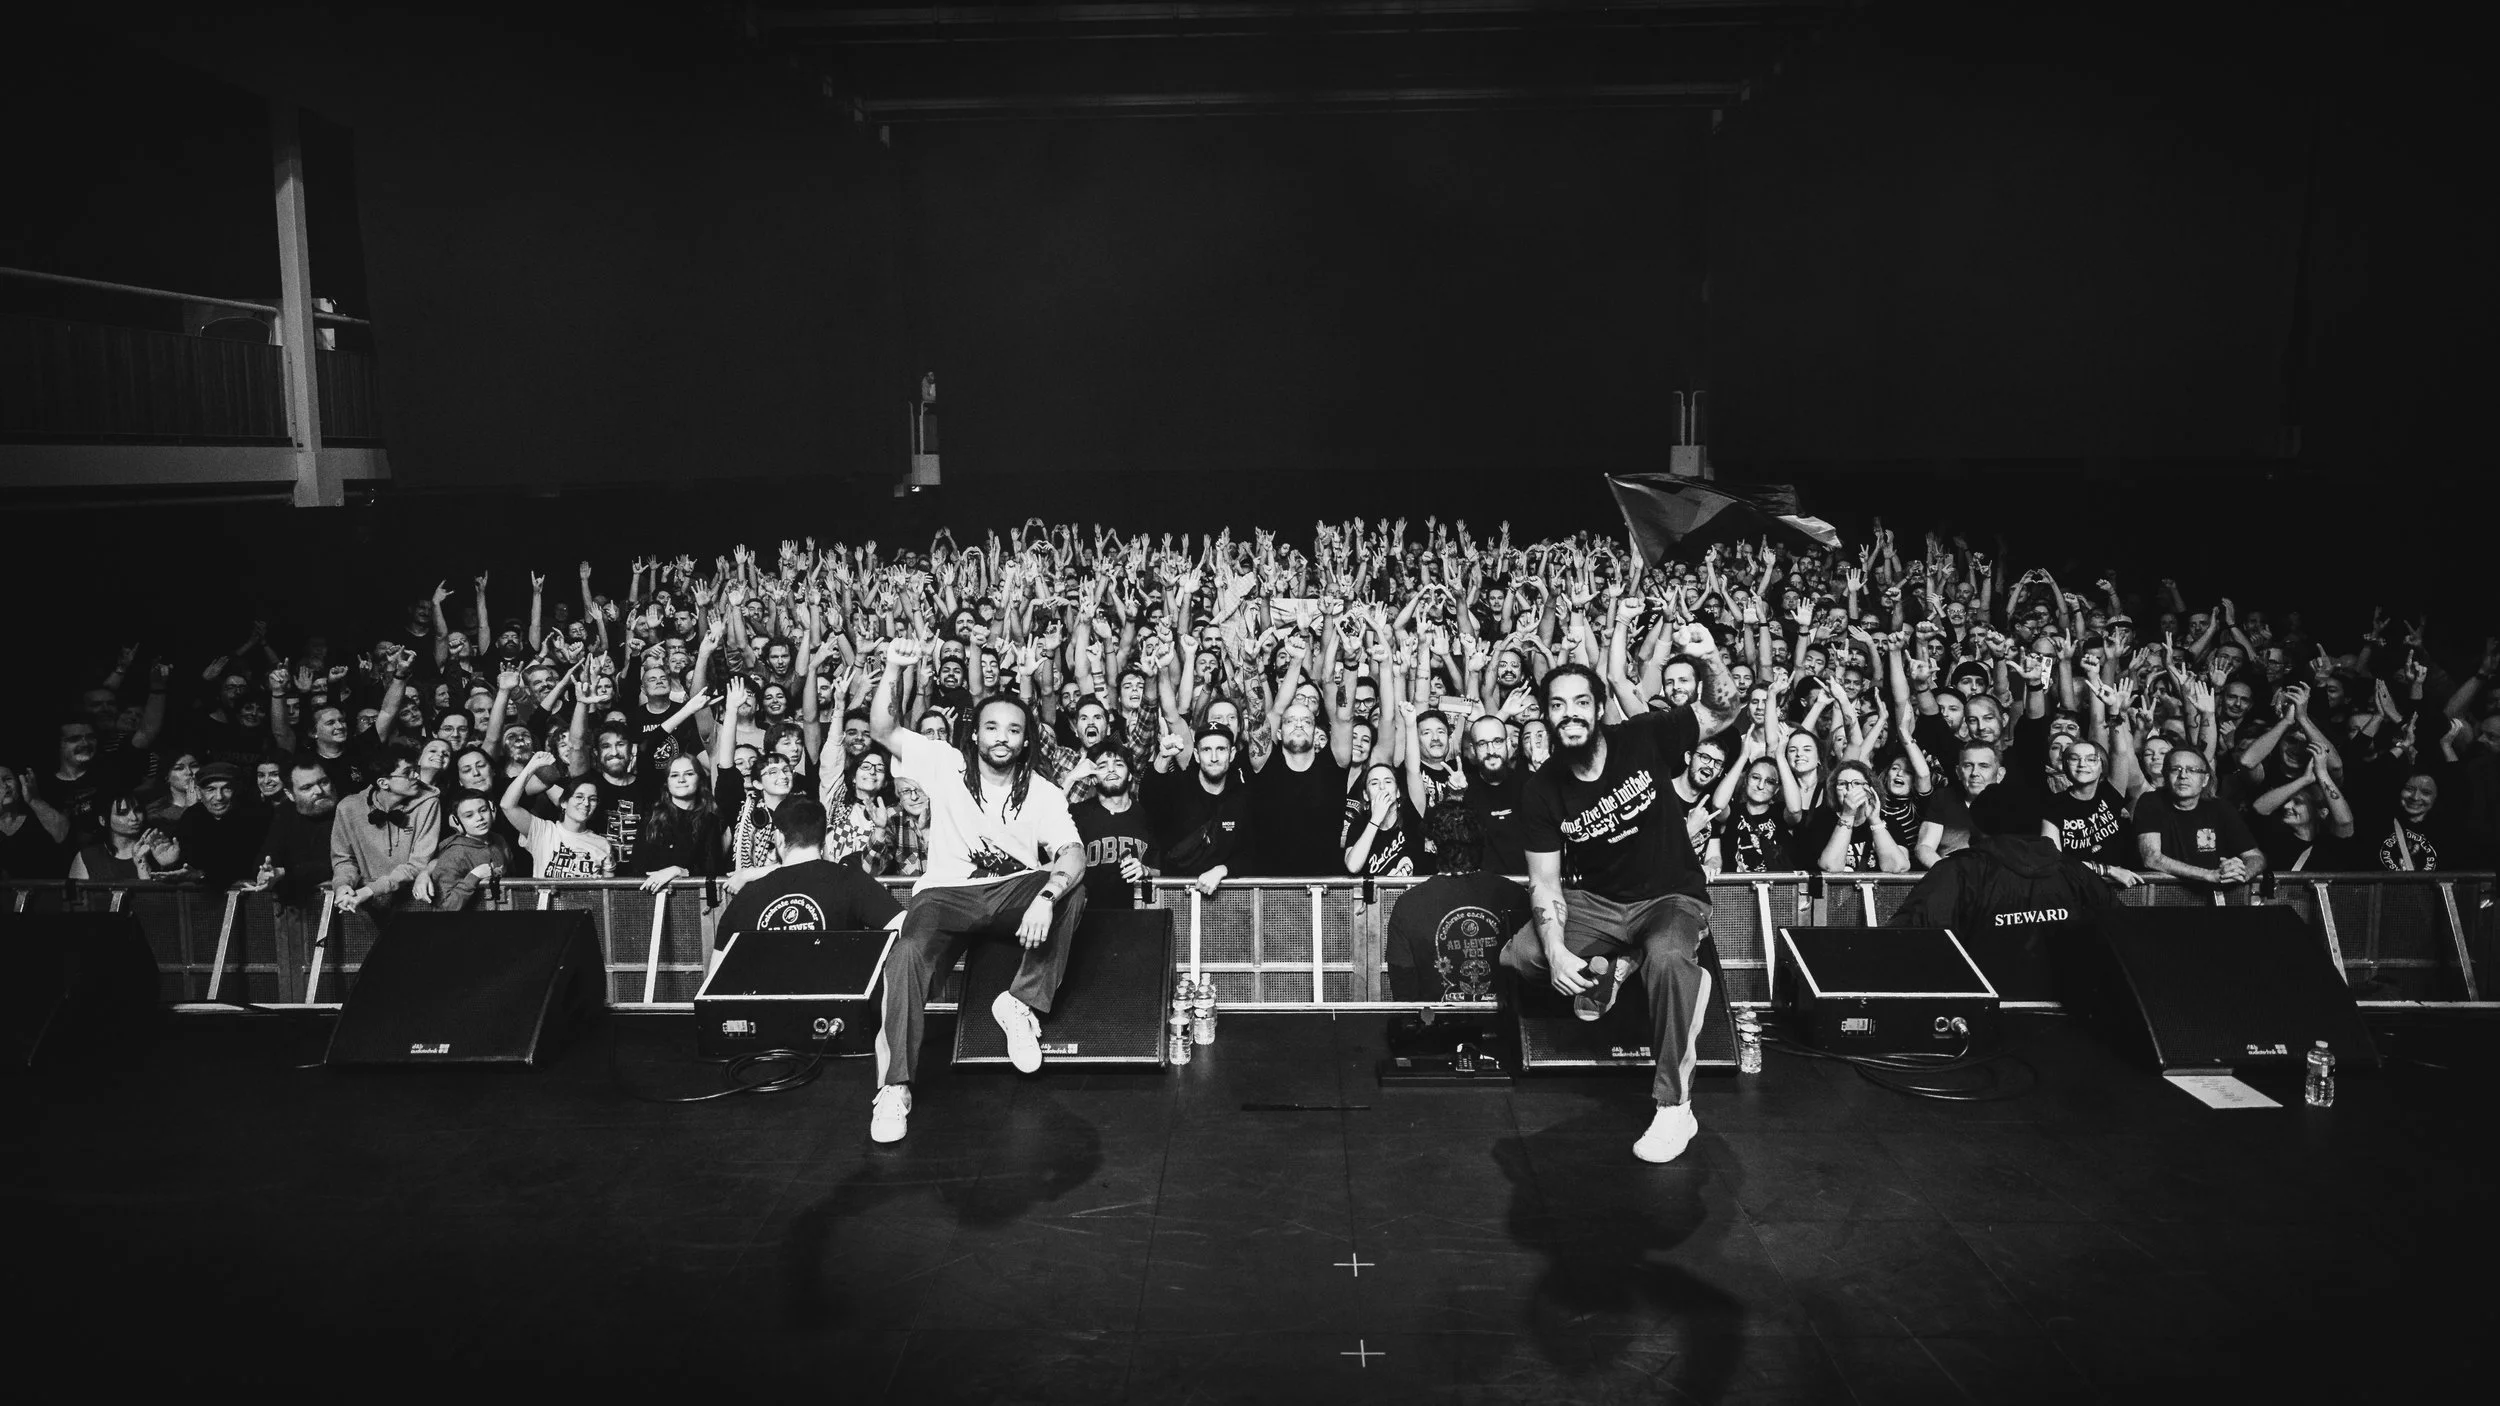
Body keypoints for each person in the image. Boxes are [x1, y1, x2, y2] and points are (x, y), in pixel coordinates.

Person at [865, 639, 1089, 1145]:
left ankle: (1019, 1002)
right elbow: (882, 728)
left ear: (1027, 739)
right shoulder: (945, 764)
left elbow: (1073, 856)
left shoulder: (1045, 792)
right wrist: (895, 669)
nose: (1002, 737)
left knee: (1073, 887)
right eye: (992, 727)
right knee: (904, 958)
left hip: (1012, 893)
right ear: (977, 734)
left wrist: (1047, 896)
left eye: (1014, 729)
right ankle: (895, 1087)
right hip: (945, 895)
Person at [1501, 663, 1719, 1165]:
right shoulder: (1542, 789)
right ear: (1546, 716)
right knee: (1523, 957)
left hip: (1671, 896)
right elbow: (1545, 882)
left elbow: (1722, 710)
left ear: (1599, 708)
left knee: (1666, 957)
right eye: (1557, 706)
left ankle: (1674, 1105)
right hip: (1600, 903)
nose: (1569, 714)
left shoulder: (1643, 738)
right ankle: (1625, 960)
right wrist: (1555, 952)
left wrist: (1709, 661)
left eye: (1581, 702)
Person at [1888, 785, 2118, 994]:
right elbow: (2121, 934)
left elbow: (1910, 937)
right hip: (2068, 1014)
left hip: (1985, 1013)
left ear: (1977, 822)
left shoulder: (1958, 870)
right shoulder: (2072, 870)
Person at [710, 799, 904, 956]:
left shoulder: (747, 896)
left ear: (778, 837)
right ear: (823, 838)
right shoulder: (849, 880)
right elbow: (907, 930)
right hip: (837, 1001)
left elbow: (715, 978)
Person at [1386, 801, 1532, 1001]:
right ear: (1481, 840)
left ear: (1433, 845)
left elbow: (1404, 990)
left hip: (1438, 1029)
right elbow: (1533, 978)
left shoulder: (1407, 905)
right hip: (1506, 1027)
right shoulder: (1516, 895)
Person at [251, 760, 339, 1001]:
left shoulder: (347, 809)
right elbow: (266, 859)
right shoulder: (284, 815)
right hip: (297, 922)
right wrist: (266, 873)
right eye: (307, 787)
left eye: (323, 782)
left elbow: (337, 864)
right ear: (289, 794)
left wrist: (286, 873)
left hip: (345, 922)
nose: (319, 791)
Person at [328, 740, 443, 916]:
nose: (416, 776)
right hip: (365, 906)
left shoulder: (428, 803)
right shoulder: (348, 808)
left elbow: (418, 864)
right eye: (407, 773)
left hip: (414, 901)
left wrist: (369, 891)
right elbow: (343, 860)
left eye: (415, 770)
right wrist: (343, 885)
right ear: (383, 783)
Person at [2132, 747, 2265, 893]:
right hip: (2162, 898)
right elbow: (2151, 858)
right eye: (2176, 769)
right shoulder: (2151, 801)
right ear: (2166, 775)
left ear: (2205, 779)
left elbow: (2256, 857)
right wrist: (2209, 875)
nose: (2183, 775)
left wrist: (2240, 873)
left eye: (2192, 770)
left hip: (2211, 900)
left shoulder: (2220, 808)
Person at [1145, 725, 1254, 894]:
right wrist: (1163, 757)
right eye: (1206, 750)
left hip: (1230, 904)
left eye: (1221, 749)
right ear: (1196, 755)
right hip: (1177, 898)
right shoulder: (1179, 789)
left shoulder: (1242, 797)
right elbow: (1148, 801)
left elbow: (1254, 853)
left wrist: (1223, 869)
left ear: (1232, 754)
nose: (1214, 757)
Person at [498, 753, 615, 879]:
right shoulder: (543, 831)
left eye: (592, 799)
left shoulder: (602, 845)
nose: (586, 803)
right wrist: (530, 768)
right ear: (564, 802)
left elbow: (609, 894)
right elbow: (507, 805)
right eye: (579, 797)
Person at [1072, 747, 1159, 908]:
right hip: (1085, 919)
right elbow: (1043, 819)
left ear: (1131, 775)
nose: (1111, 769)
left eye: (1118, 764)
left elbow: (1162, 870)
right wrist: (1071, 778)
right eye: (1103, 766)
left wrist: (1145, 870)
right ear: (1093, 779)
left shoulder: (1147, 816)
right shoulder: (1077, 814)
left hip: (1134, 917)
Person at [1457, 712, 1530, 876]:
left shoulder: (1529, 784)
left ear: (1509, 744)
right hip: (1481, 893)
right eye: (1482, 744)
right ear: (1473, 750)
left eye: (1497, 741)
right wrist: (1454, 797)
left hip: (1528, 891)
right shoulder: (1463, 787)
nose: (1491, 751)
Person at [418, 794, 515, 910]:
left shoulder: (499, 840)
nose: (479, 817)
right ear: (456, 821)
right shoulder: (454, 854)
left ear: (492, 810)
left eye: (483, 810)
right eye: (469, 815)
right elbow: (444, 907)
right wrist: (474, 876)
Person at [174, 762, 262, 888]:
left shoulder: (253, 818)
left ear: (237, 790)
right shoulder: (191, 816)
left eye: (226, 789)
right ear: (199, 792)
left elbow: (243, 867)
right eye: (211, 789)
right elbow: (183, 868)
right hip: (196, 900)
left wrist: (202, 875)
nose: (219, 797)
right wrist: (170, 862)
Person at [68, 793, 184, 882]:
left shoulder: (158, 850)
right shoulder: (89, 857)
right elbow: (77, 907)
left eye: (137, 811)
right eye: (123, 813)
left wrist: (168, 867)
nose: (134, 818)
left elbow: (165, 904)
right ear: (103, 820)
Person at [0, 760, 73, 880]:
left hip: (47, 892)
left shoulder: (39, 816)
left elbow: (64, 835)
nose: (4, 786)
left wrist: (34, 800)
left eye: (7, 779)